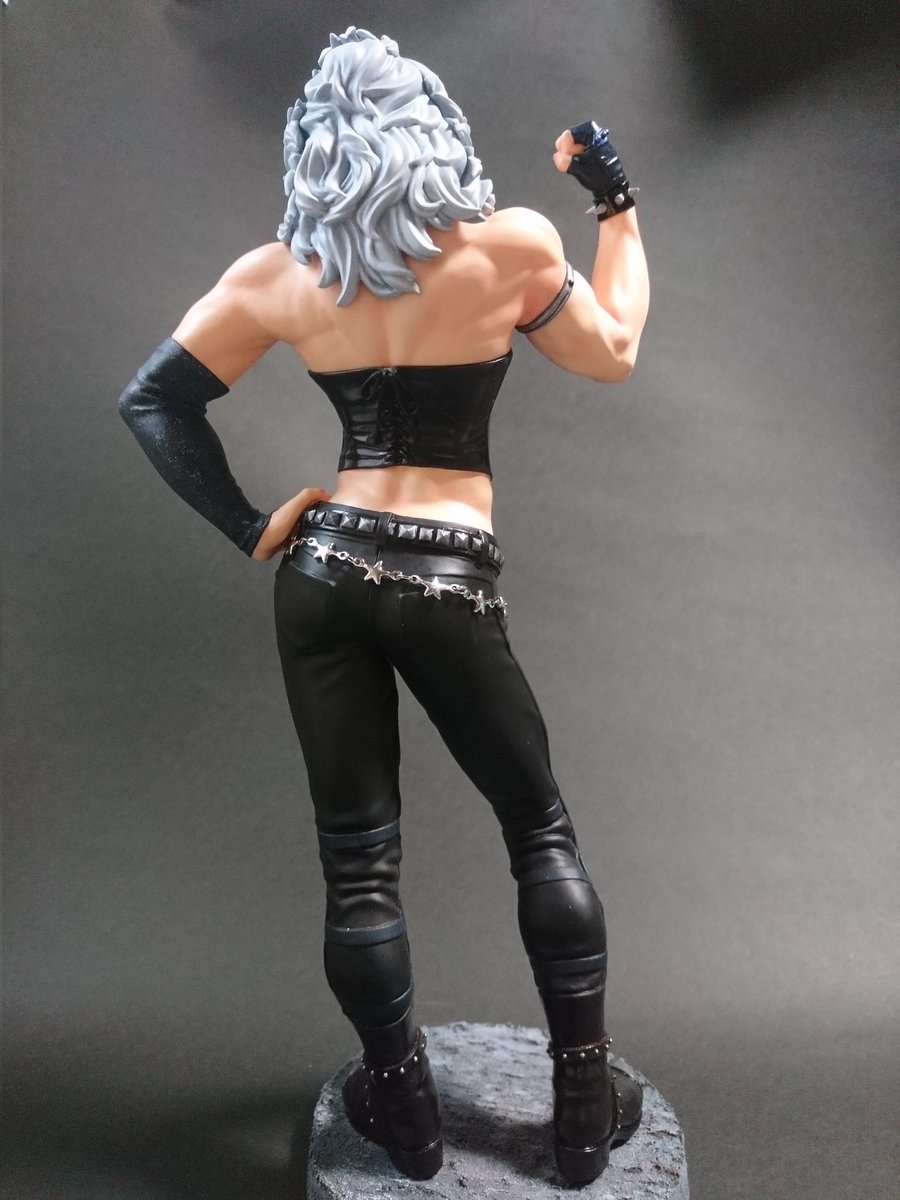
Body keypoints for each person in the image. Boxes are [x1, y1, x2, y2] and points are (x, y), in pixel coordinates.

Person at [117, 26, 650, 1187]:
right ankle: (578, 1115)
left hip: (323, 573)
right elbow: (612, 350)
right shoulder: (510, 247)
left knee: (359, 864)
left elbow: (154, 403)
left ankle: (404, 1124)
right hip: (446, 573)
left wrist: (251, 524)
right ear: (433, 128)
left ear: (316, 145)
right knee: (538, 831)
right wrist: (617, 208)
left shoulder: (282, 272)